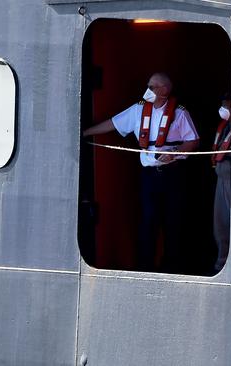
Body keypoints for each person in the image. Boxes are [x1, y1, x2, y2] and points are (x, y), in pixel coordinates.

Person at [83, 72, 200, 272]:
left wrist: (175, 153)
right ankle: (145, 267)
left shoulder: (180, 113)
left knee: (173, 222)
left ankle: (173, 268)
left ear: (164, 90)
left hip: (173, 175)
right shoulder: (138, 110)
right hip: (149, 176)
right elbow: (113, 123)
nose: (148, 90)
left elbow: (193, 140)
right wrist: (84, 132)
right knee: (148, 221)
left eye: (152, 87)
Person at [211, 93, 231, 272]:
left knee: (230, 222)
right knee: (220, 223)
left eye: (226, 102)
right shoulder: (226, 125)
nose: (223, 106)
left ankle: (227, 264)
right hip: (222, 176)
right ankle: (221, 263)